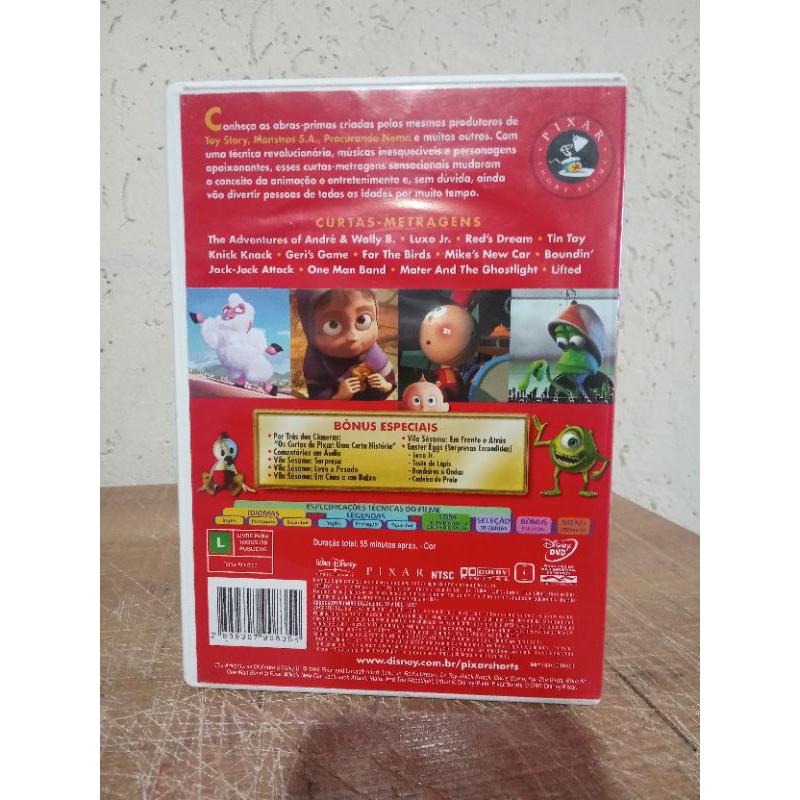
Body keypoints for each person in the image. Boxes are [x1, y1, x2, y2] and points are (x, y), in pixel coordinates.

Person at [296, 288, 396, 400]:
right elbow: (317, 395)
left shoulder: (374, 354)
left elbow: (390, 382)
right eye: (333, 325)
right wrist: (338, 397)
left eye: (362, 320)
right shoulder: (316, 361)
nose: (353, 337)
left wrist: (386, 386)